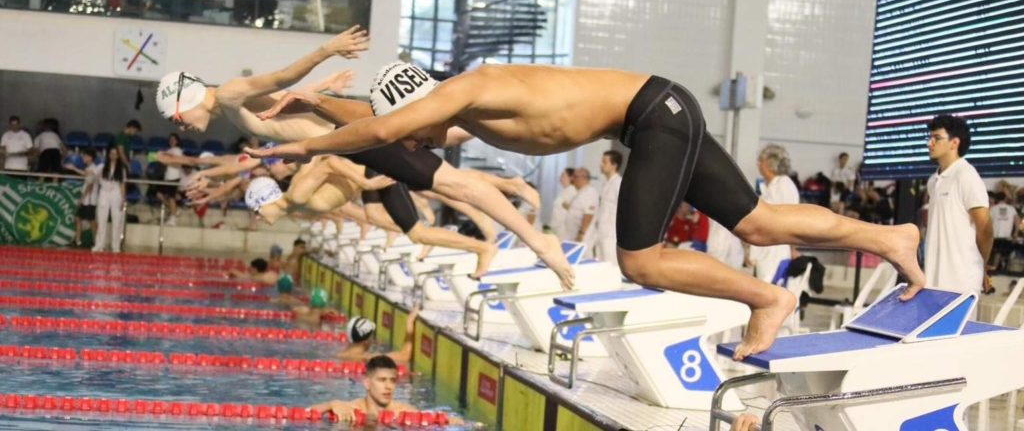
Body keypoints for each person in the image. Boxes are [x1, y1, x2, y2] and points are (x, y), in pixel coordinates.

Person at [252, 63, 927, 359]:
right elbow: (377, 119)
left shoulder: (465, 92)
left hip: (654, 119)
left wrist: (297, 146)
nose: (417, 145)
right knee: (759, 224)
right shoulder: (466, 103)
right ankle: (891, 237)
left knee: (640, 261)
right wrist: (315, 103)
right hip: (664, 110)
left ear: (420, 107)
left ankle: (766, 299)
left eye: (414, 133)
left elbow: (377, 129)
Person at [153, 32, 569, 282]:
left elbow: (281, 78)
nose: (182, 127)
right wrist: (322, 92)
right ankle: (529, 121)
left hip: (356, 139)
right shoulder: (230, 107)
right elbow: (290, 101)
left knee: (454, 181)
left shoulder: (228, 93)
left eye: (176, 119)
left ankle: (537, 240)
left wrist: (327, 50)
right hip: (348, 137)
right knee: (454, 128)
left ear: (184, 101)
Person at [243, 155, 499, 278]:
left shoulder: (297, 195)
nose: (258, 218)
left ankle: (482, 248)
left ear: (264, 201)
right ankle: (441, 237)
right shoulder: (294, 203)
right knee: (375, 216)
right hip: (366, 173)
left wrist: (364, 183)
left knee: (419, 229)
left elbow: (329, 163)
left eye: (256, 212)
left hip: (373, 170)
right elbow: (319, 157)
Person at [924, 115, 992, 301]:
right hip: (933, 279)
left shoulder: (966, 176)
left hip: (961, 283)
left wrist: (982, 265)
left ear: (954, 142)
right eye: (929, 138)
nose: (930, 143)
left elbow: (985, 228)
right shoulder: (933, 181)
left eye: (937, 138)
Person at [308, 356, 417, 423]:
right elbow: (307, 413)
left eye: (392, 380)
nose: (388, 386)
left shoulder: (405, 412)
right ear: (367, 383)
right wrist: (330, 404)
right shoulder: (351, 408)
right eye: (382, 380)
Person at [748, 145, 800, 282]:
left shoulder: (784, 185)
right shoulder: (770, 186)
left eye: (761, 161)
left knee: (771, 285)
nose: (758, 164)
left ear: (770, 163)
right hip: (765, 248)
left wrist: (792, 247)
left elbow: (791, 218)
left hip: (776, 248)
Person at [337, 306, 418, 363]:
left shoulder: (340, 355)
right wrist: (409, 322)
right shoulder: (368, 358)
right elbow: (405, 356)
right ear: (366, 340)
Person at [93, 145, 128, 253]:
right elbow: (91, 173)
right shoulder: (101, 167)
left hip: (116, 193)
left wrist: (123, 199)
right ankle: (99, 245)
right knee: (101, 220)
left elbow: (122, 185)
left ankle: (115, 246)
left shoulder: (121, 169)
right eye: (111, 153)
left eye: (115, 154)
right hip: (104, 193)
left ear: (118, 156)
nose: (113, 156)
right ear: (108, 155)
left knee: (117, 220)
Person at [592, 150, 623, 264]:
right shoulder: (605, 184)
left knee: (610, 266)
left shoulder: (619, 184)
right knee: (600, 265)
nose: (601, 164)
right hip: (601, 232)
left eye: (604, 162)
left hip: (611, 235)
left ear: (614, 165)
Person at [64, 148, 100, 247]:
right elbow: (85, 174)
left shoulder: (94, 168)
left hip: (90, 199)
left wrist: (82, 198)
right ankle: (77, 241)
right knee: (78, 218)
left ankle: (96, 242)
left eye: (85, 156)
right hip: (85, 198)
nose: (83, 158)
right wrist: (73, 168)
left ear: (90, 157)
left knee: (92, 221)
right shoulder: (88, 168)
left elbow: (90, 185)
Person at [565, 168, 599, 245]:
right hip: (574, 235)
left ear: (584, 178)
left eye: (575, 177)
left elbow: (589, 214)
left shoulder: (590, 192)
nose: (572, 179)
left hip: (583, 237)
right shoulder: (581, 192)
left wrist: (581, 233)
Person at [989, 192, 1020, 275]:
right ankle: (1004, 269)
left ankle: (994, 269)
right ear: (1005, 199)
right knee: (1005, 253)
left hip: (995, 236)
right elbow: (1017, 221)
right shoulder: (1011, 209)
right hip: (1007, 236)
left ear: (996, 199)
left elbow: (988, 222)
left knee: (996, 253)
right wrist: (1016, 233)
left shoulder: (993, 209)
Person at [157, 133, 184, 225]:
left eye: (173, 139)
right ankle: (175, 210)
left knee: (172, 197)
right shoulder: (169, 150)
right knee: (160, 194)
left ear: (177, 141)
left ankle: (173, 219)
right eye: (170, 139)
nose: (171, 141)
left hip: (174, 177)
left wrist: (166, 162)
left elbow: (178, 164)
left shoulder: (178, 151)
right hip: (167, 177)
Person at [550, 168, 577, 239]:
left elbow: (570, 210)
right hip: (557, 228)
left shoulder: (572, 192)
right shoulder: (565, 191)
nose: (560, 177)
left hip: (564, 230)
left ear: (571, 177)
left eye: (563, 175)